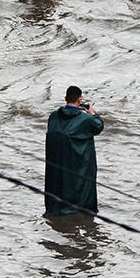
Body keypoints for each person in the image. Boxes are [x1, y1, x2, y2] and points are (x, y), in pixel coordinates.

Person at [45, 86, 105, 216]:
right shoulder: (85, 119)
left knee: (59, 179)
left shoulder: (54, 116)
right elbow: (98, 125)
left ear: (65, 99)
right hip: (75, 161)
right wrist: (93, 113)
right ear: (79, 101)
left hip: (58, 160)